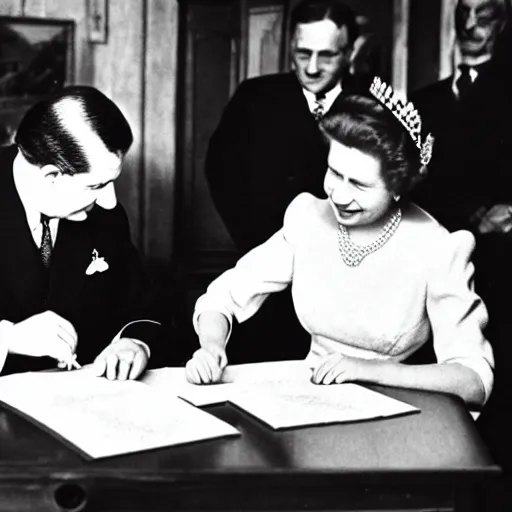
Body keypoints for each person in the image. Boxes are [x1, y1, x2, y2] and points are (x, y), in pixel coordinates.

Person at [185, 77, 494, 412]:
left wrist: (373, 371)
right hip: (307, 402)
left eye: (360, 185)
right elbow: (224, 295)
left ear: (398, 187)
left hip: (396, 412)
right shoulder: (308, 218)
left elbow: (474, 381)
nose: (339, 195)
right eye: (334, 173)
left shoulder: (437, 248)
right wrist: (212, 346)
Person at [204, 0, 368, 364]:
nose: (311, 67)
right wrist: (257, 242)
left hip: (346, 284)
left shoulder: (372, 105)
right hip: (263, 278)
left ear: (351, 50)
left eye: (326, 55)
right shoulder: (254, 98)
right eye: (302, 53)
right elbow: (221, 173)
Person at [0, 85, 161, 380]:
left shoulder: (102, 211)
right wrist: (8, 339)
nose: (109, 200)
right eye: (96, 185)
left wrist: (134, 343)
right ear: (50, 175)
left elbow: (142, 306)